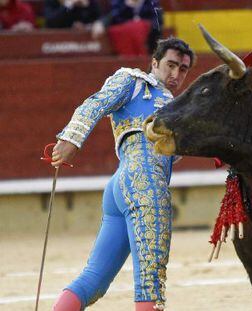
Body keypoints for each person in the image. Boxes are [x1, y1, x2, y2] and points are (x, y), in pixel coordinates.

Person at [51, 37, 194, 311]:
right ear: (154, 63)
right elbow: (95, 103)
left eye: (183, 69)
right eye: (170, 65)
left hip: (122, 186)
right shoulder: (133, 81)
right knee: (150, 282)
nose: (175, 74)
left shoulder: (180, 108)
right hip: (143, 182)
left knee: (94, 281)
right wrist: (71, 138)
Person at [91, 0, 163, 54]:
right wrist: (101, 23)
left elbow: (158, 22)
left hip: (148, 40)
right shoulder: (120, 2)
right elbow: (113, 16)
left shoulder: (152, 2)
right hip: (125, 39)